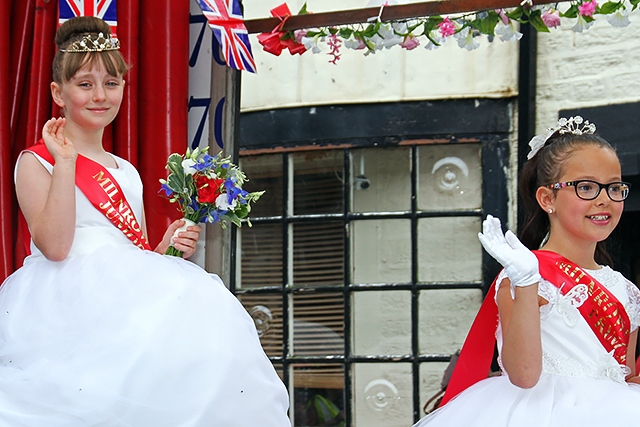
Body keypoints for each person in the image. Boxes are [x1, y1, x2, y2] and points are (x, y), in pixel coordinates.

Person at [2, 16, 290, 426]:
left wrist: (166, 250)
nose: (100, 95)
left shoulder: (126, 171)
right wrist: (65, 162)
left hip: (120, 309)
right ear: (58, 92)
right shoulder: (36, 161)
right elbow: (56, 246)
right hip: (64, 310)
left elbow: (129, 255)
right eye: (85, 84)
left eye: (111, 83)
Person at [413, 116, 640, 426]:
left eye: (614, 188)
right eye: (586, 187)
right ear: (548, 198)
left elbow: (623, 375)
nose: (604, 200)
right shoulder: (525, 275)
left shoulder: (626, 290)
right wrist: (527, 282)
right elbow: (524, 375)